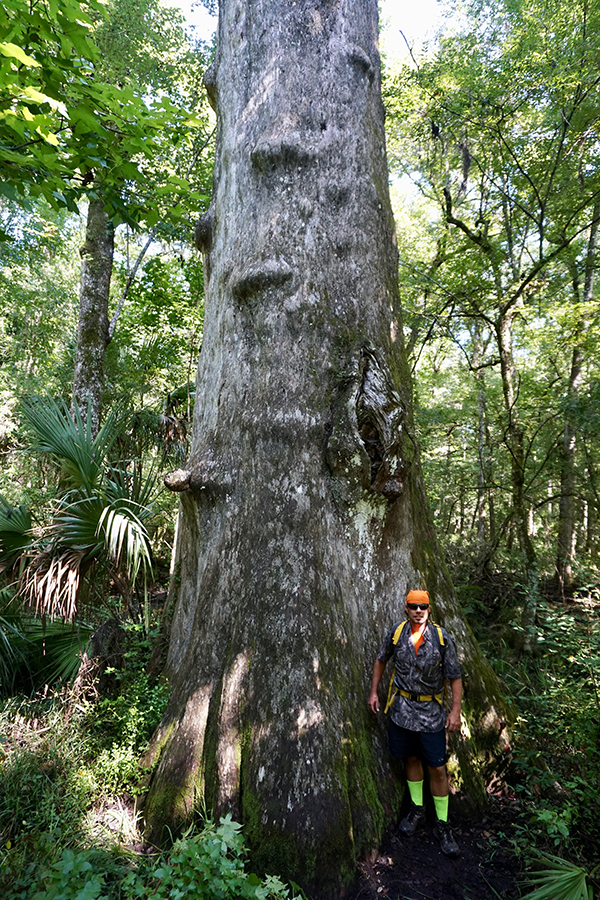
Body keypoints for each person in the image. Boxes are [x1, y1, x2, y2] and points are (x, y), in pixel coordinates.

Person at [368, 589, 463, 857]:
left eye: (423, 606)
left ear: (429, 609)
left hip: (431, 712)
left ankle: (443, 825)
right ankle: (418, 809)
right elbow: (380, 661)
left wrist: (455, 711)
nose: (418, 611)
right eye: (413, 606)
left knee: (437, 767)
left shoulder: (442, 639)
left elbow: (455, 677)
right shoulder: (396, 634)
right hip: (401, 710)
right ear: (406, 608)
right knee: (410, 759)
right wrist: (374, 692)